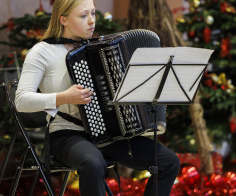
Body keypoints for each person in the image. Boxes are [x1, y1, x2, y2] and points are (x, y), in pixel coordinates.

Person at [15, 0, 180, 195]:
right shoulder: (42, 52)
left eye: (93, 13)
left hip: (108, 135)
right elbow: (21, 101)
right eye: (84, 16)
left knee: (168, 162)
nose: (92, 21)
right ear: (63, 20)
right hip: (67, 135)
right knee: (93, 162)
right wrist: (63, 97)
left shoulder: (100, 49)